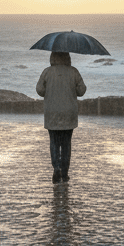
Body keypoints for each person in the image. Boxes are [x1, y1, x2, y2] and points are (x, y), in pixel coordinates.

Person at [36, 51, 86, 183]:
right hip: (69, 113)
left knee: (54, 142)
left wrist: (50, 88)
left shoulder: (47, 72)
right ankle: (65, 172)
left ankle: (56, 168)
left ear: (52, 57)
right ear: (67, 57)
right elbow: (81, 90)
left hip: (52, 112)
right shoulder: (73, 71)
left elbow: (40, 90)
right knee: (66, 144)